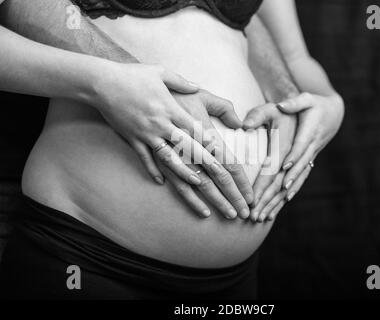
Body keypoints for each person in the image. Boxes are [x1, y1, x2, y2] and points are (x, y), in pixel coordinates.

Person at [0, 0, 343, 299]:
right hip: (87, 254)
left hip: (234, 279)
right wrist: (105, 82)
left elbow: (296, 58)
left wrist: (330, 104)